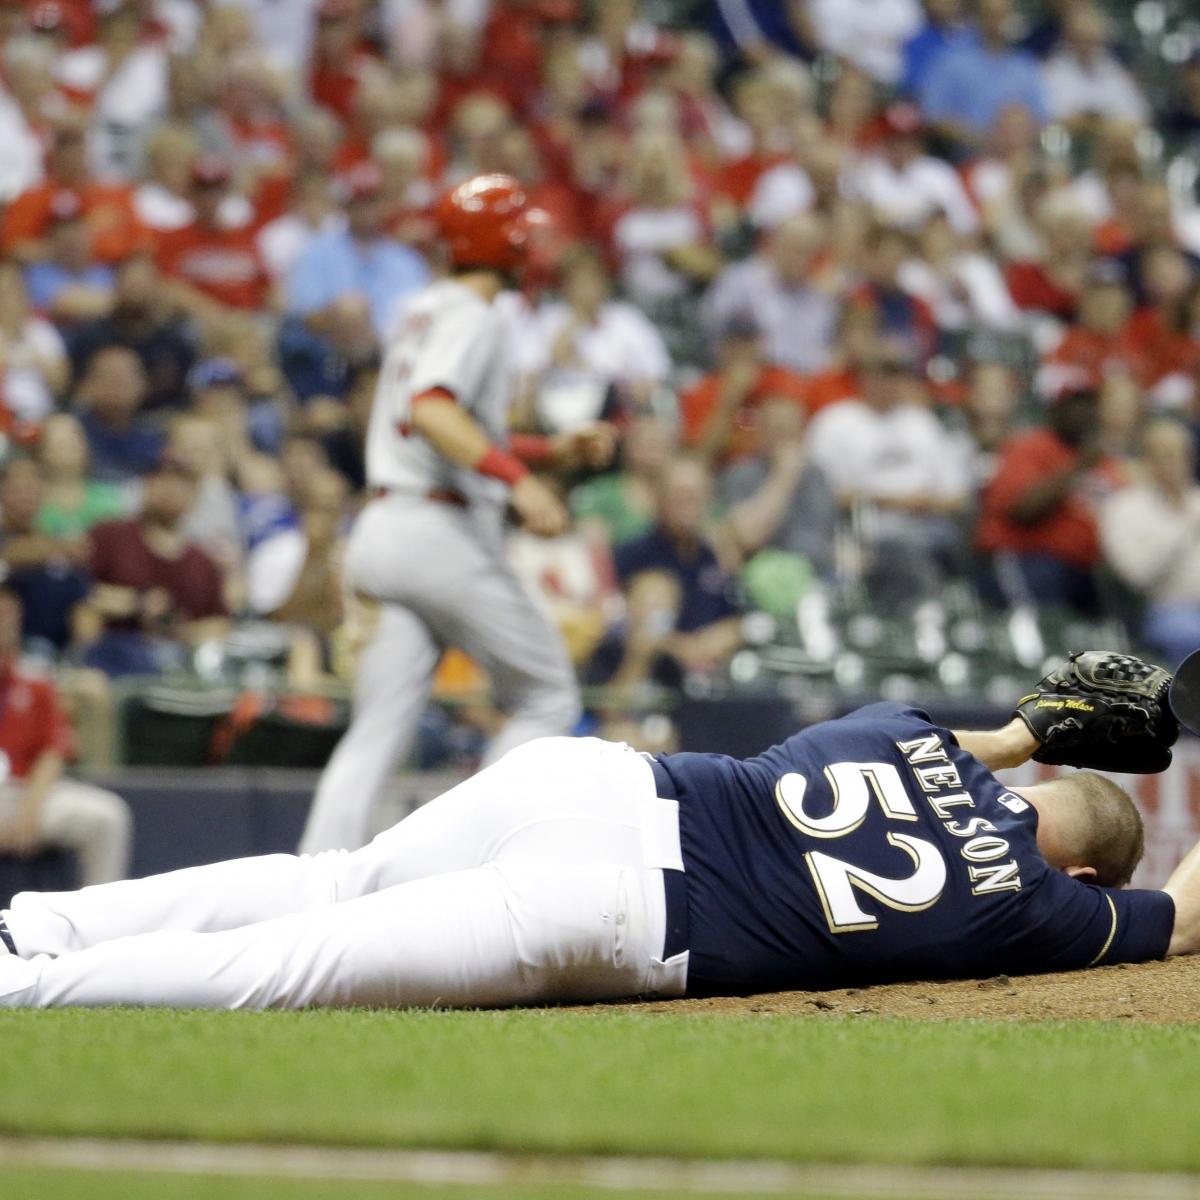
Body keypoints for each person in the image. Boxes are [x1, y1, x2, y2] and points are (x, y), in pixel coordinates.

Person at [0, 676, 1193, 1009]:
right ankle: (29, 994)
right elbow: (1187, 917)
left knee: (332, 876)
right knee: (299, 966)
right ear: (1082, 866)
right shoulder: (1042, 913)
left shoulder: (902, 729)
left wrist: (1034, 724)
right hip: (623, 911)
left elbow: (977, 747)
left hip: (593, 778)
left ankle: (37, 926)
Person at [297, 175, 612, 855]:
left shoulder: (422, 309)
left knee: (375, 732)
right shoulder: (473, 315)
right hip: (438, 533)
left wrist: (549, 448)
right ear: (507, 240)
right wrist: (521, 480)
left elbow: (447, 421)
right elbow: (433, 411)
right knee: (547, 697)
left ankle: (312, 886)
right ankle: (459, 857)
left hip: (383, 527)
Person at [0, 588, 131, 889]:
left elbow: (53, 751)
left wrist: (29, 811)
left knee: (107, 817)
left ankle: (99, 920)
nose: (4, 622)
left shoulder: (36, 682)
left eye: (10, 614)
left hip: (24, 793)